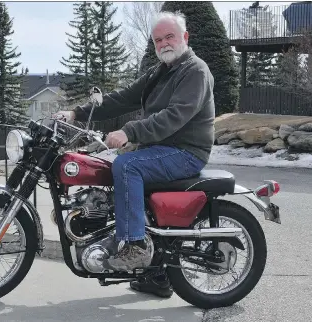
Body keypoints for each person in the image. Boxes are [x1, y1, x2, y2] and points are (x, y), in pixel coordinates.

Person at [55, 11, 215, 298]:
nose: (164, 43)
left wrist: (129, 132)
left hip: (185, 151)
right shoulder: (160, 72)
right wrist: (76, 113)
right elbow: (122, 98)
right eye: (158, 39)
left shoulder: (195, 71)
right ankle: (156, 275)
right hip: (160, 149)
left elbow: (175, 115)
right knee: (107, 166)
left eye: (170, 37)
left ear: (185, 38)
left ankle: (135, 245)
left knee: (127, 166)